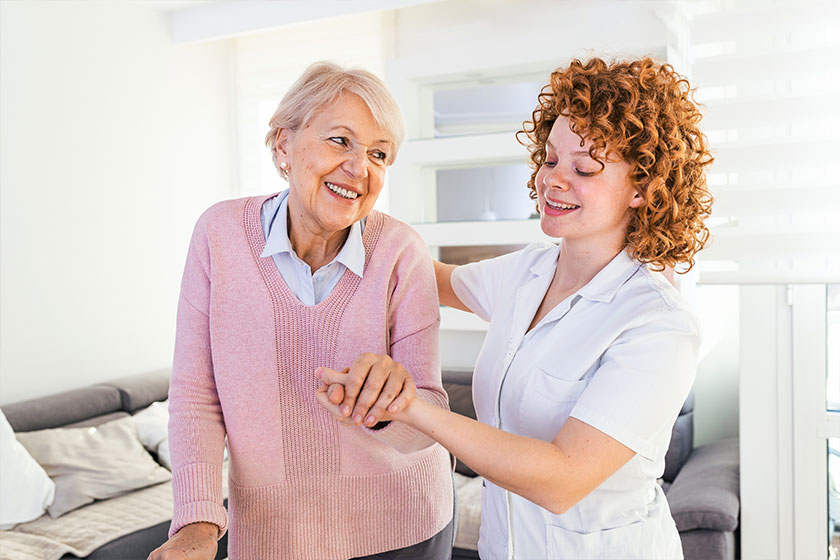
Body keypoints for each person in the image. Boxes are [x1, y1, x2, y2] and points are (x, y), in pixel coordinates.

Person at [317, 57, 714, 559]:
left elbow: (562, 478)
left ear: (643, 188)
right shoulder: (529, 272)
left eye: (584, 168)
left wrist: (409, 405)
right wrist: (350, 201)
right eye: (550, 160)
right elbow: (427, 277)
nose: (554, 180)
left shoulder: (658, 324)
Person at [149, 62, 454, 560]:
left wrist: (387, 405)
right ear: (283, 144)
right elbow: (195, 397)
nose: (360, 169)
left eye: (379, 154)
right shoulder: (219, 236)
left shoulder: (402, 250)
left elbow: (431, 416)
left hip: (406, 526)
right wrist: (198, 523)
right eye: (340, 141)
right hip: (275, 537)